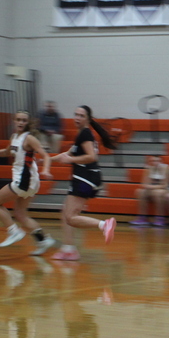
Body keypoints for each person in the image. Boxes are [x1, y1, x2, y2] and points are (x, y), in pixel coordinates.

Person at [0, 110, 56, 254]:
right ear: (14, 121)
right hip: (31, 182)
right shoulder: (14, 137)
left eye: (24, 120)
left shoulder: (29, 138)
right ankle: (43, 240)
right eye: (18, 119)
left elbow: (46, 156)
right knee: (20, 214)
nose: (20, 122)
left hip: (24, 181)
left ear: (27, 123)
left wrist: (47, 170)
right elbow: (6, 152)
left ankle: (14, 231)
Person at [48, 105, 116, 261]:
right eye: (75, 114)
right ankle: (69, 249)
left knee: (71, 217)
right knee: (65, 212)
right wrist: (47, 160)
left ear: (87, 119)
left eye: (81, 115)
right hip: (86, 177)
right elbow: (68, 153)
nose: (77, 117)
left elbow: (92, 157)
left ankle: (104, 225)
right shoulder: (83, 135)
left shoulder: (85, 134)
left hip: (85, 178)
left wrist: (70, 160)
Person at [130, 155, 169, 226]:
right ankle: (142, 217)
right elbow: (144, 183)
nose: (155, 163)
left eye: (157, 161)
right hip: (153, 189)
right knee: (140, 191)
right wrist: (150, 186)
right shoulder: (149, 168)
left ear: (161, 161)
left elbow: (165, 185)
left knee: (158, 193)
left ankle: (160, 218)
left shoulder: (166, 168)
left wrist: (151, 187)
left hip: (164, 189)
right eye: (153, 161)